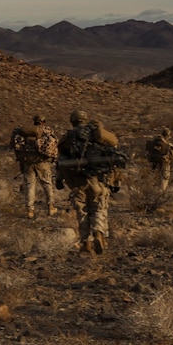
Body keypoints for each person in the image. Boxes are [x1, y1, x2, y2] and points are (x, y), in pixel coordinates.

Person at [56, 109, 122, 254]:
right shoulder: (97, 136)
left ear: (73, 121)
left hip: (77, 181)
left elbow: (60, 159)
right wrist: (116, 181)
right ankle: (98, 232)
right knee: (99, 207)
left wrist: (59, 179)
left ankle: (86, 242)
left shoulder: (68, 138)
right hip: (98, 179)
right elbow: (114, 157)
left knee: (82, 211)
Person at [14, 115, 59, 219]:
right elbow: (53, 146)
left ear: (34, 122)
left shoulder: (25, 132)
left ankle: (30, 211)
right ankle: (51, 208)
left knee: (30, 186)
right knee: (47, 185)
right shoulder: (47, 131)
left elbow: (18, 147)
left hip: (28, 163)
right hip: (42, 163)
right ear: (43, 121)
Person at [146, 127, 173, 191]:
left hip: (154, 163)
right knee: (164, 179)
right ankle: (161, 193)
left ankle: (153, 193)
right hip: (164, 163)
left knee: (155, 179)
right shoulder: (167, 144)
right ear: (168, 135)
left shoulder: (154, 142)